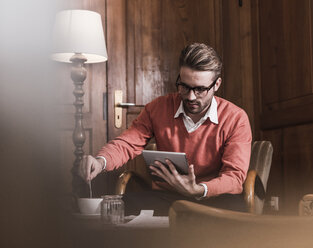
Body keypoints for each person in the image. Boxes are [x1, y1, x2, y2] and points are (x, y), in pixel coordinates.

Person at [79, 43, 252, 215]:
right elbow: (127, 144)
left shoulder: (236, 118)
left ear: (216, 84)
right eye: (184, 86)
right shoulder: (157, 108)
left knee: (236, 211)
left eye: (200, 89)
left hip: (213, 196)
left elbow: (234, 177)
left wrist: (199, 189)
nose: (191, 96)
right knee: (122, 206)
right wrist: (100, 161)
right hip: (168, 196)